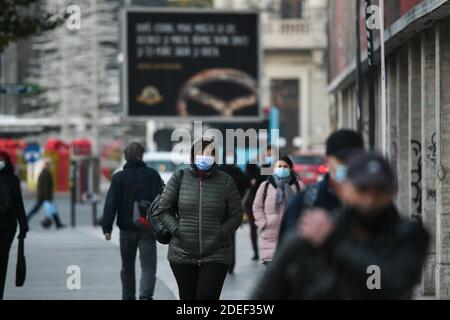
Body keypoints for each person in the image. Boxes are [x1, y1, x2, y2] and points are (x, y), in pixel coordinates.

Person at [252, 152, 430, 300]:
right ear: (346, 189)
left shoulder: (408, 234)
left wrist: (332, 240)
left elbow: (394, 281)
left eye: (378, 191)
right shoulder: (309, 236)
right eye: (362, 189)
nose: (370, 199)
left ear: (392, 191)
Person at [158, 137, 243, 300]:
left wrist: (221, 233)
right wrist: (177, 230)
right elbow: (163, 210)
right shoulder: (179, 177)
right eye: (200, 153)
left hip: (216, 252)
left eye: (209, 153)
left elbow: (236, 214)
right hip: (182, 252)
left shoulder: (225, 181)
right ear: (192, 156)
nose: (204, 156)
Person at [277, 129, 364, 248]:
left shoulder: (372, 201)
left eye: (354, 159)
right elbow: (283, 253)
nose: (348, 165)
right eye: (342, 160)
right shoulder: (307, 202)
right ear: (327, 161)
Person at [102, 142, 162, 300]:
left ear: (126, 156)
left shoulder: (118, 177)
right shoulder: (153, 175)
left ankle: (128, 297)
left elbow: (111, 203)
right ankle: (145, 296)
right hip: (148, 229)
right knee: (148, 267)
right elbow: (163, 201)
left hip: (126, 230)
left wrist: (107, 228)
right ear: (142, 155)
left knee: (127, 268)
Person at [253, 156, 303, 265]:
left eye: (285, 166)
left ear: (290, 168)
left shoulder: (299, 186)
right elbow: (257, 207)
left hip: (292, 235)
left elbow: (306, 207)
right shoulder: (265, 185)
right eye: (279, 166)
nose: (282, 168)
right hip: (270, 237)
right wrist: (263, 223)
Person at [0, 151, 28, 300]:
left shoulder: (13, 179)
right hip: (7, 225)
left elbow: (18, 203)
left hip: (7, 227)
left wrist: (23, 224)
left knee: (2, 260)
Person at [218, 151, 247, 274]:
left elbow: (244, 187)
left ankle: (230, 264)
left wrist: (239, 200)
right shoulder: (219, 170)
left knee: (231, 238)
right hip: (218, 209)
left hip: (232, 209)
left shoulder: (238, 172)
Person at [244, 145, 274, 261]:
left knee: (267, 228)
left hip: (267, 201)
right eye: (268, 153)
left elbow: (263, 179)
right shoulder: (251, 163)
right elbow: (250, 180)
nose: (269, 156)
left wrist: (259, 174)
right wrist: (260, 173)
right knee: (253, 227)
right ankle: (256, 252)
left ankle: (266, 252)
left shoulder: (272, 165)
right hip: (252, 201)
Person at [27, 159, 65, 229]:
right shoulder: (46, 173)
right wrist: (48, 198)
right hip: (44, 196)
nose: (51, 166)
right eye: (50, 164)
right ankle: (58, 224)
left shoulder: (44, 172)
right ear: (47, 165)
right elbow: (46, 187)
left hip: (43, 195)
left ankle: (58, 224)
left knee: (53, 209)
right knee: (37, 209)